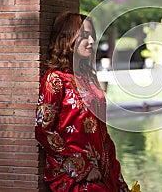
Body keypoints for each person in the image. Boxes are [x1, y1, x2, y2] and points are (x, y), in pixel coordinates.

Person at [35, 12, 129, 192]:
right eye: (85, 36)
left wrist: (117, 177)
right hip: (75, 176)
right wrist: (82, 168)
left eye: (92, 35)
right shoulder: (55, 80)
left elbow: (102, 132)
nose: (92, 40)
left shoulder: (88, 78)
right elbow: (43, 130)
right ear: (67, 38)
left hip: (104, 171)